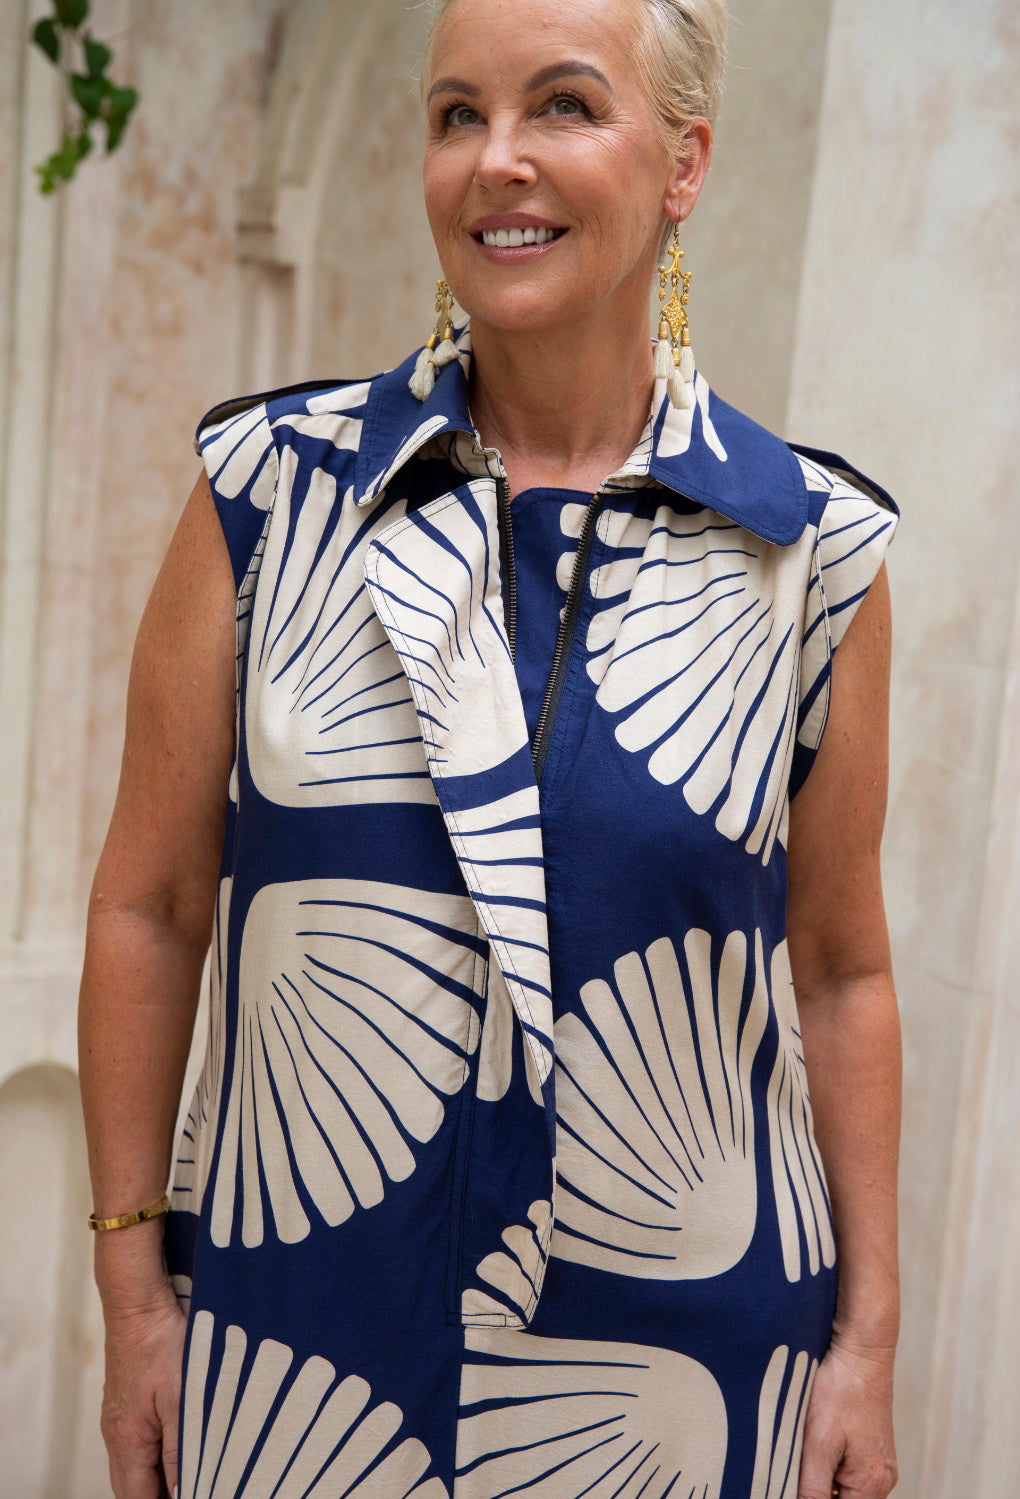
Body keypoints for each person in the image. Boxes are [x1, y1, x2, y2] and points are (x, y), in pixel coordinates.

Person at [78, 0, 902, 1496]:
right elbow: (152, 903)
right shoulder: (266, 493)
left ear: (684, 164)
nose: (495, 160)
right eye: (458, 114)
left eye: (563, 106)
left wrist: (868, 1343)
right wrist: (134, 1292)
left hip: (682, 1368)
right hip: (303, 1327)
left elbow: (844, 971)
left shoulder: (811, 552)